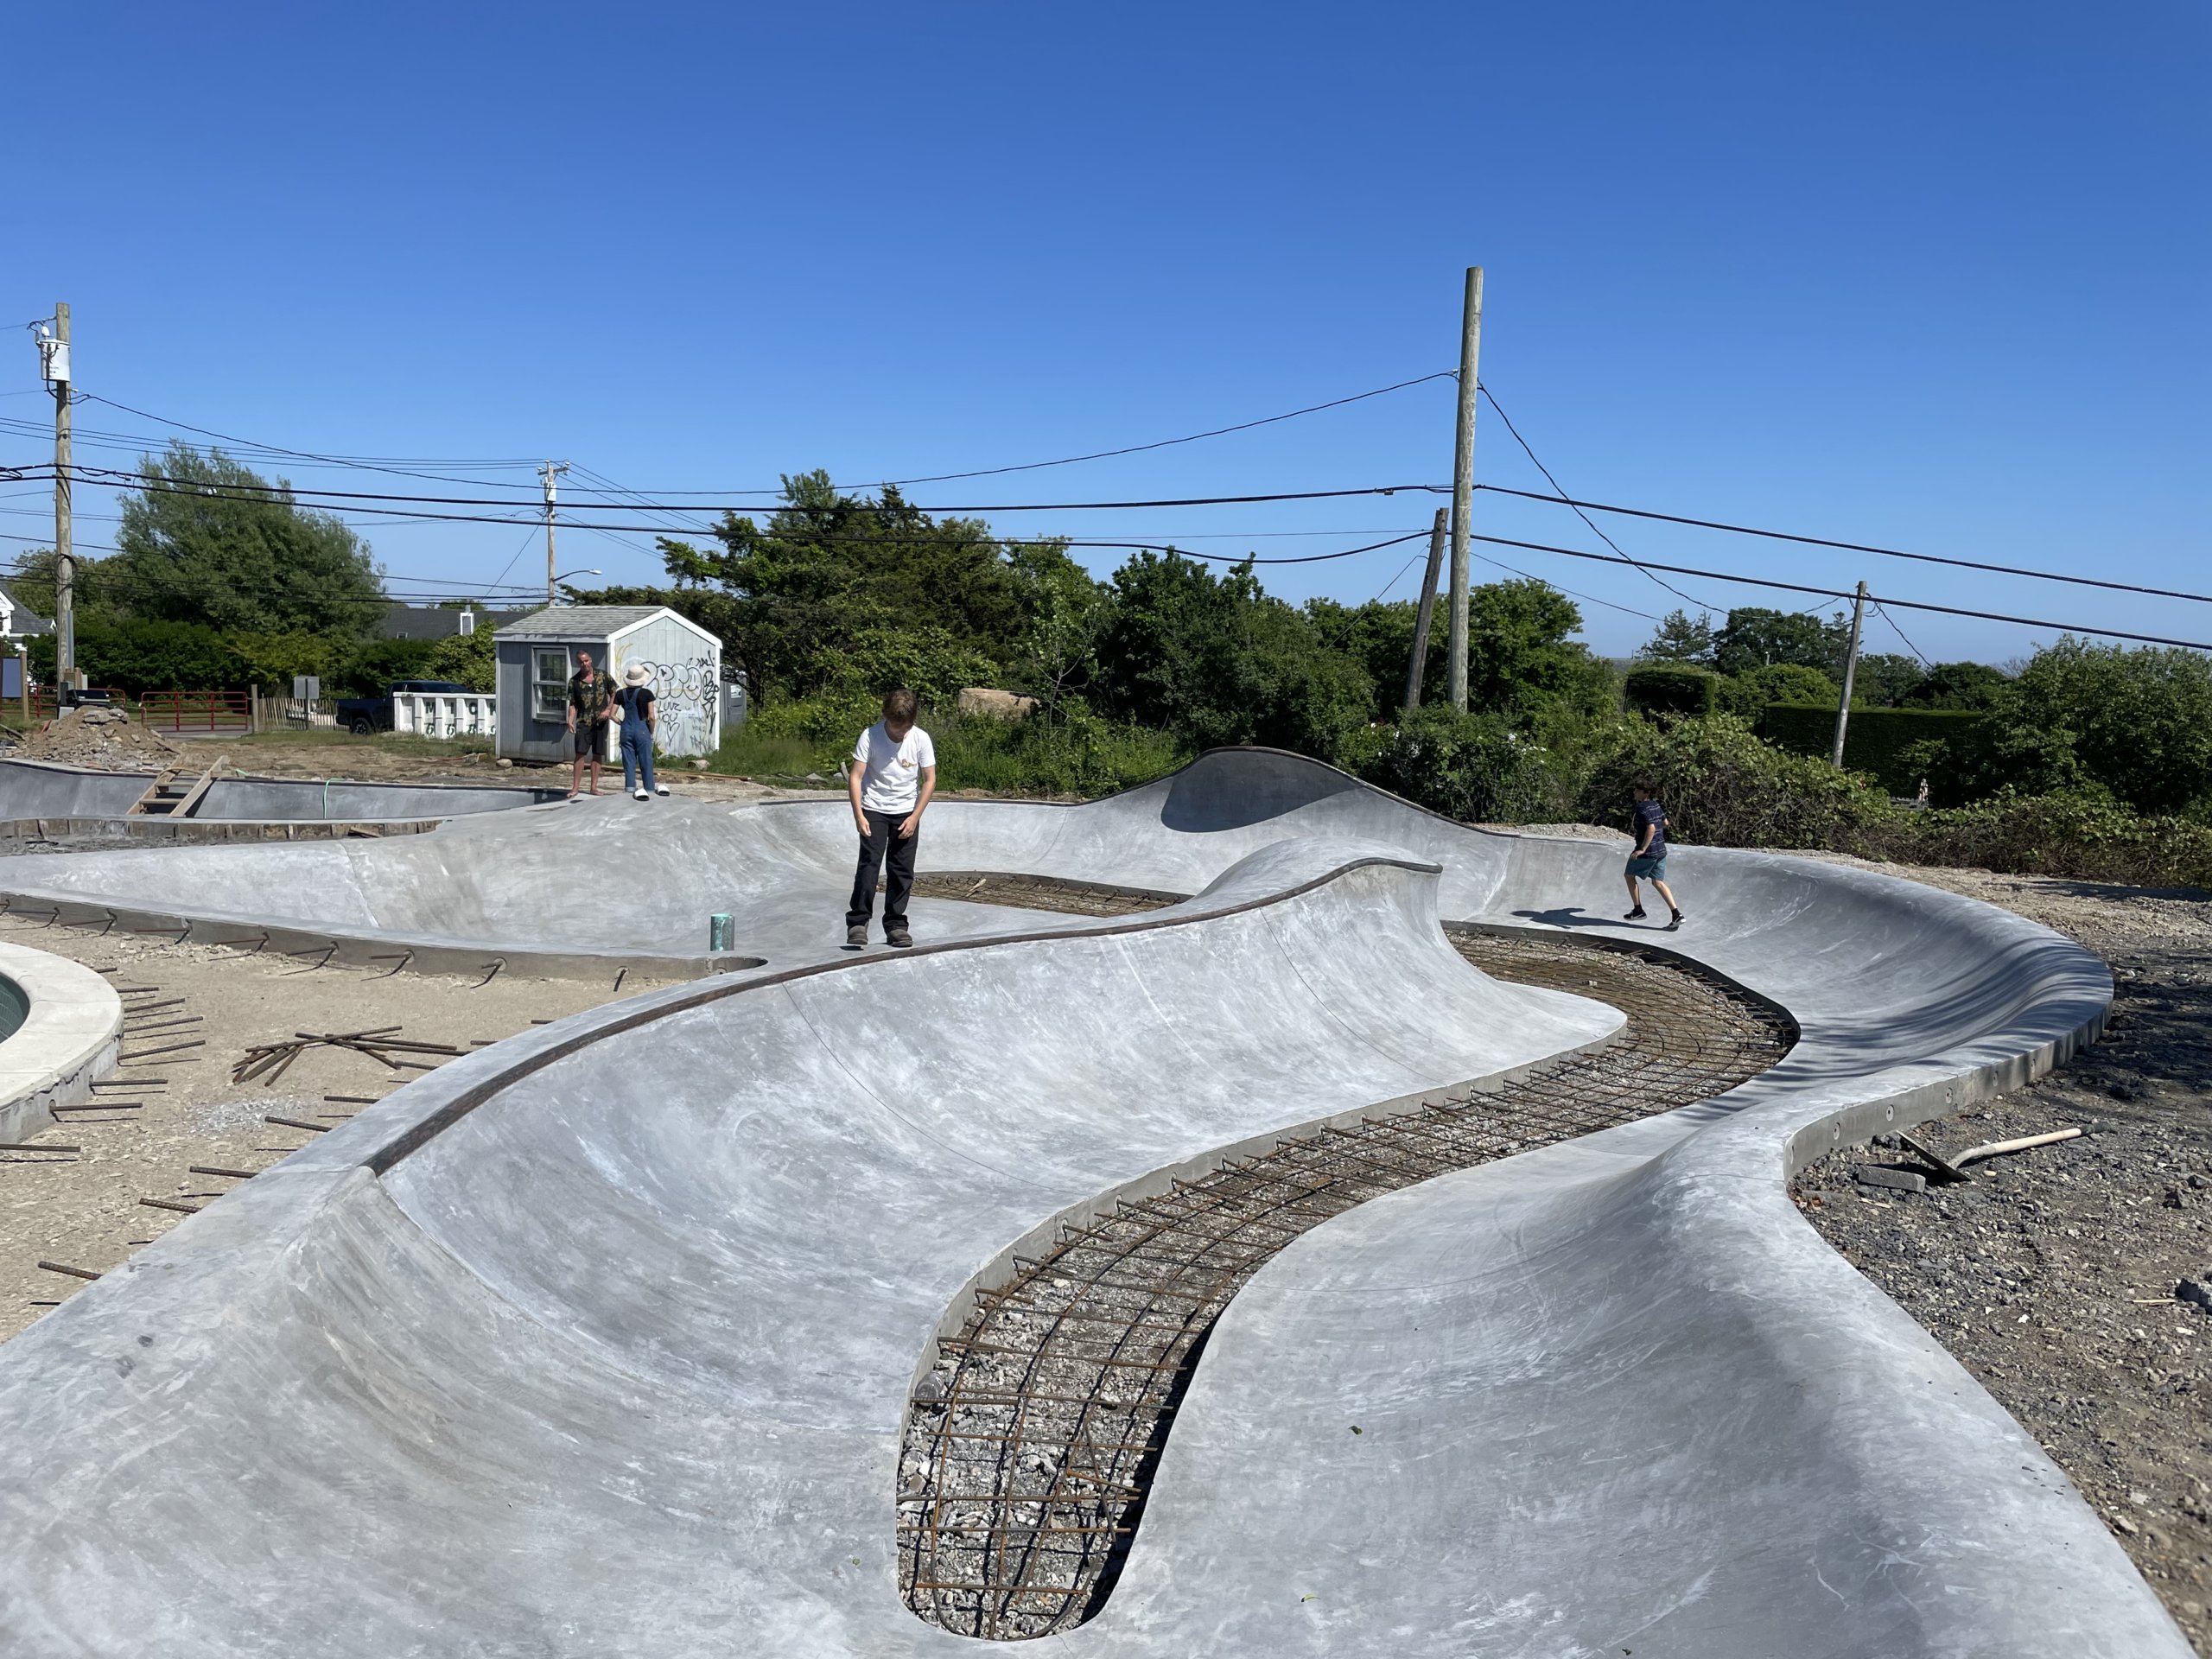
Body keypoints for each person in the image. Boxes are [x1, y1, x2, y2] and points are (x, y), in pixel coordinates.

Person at [845, 687, 936, 949]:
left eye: (904, 729)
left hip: (906, 811)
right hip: (874, 808)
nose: (899, 734)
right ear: (885, 716)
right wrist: (859, 815)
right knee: (869, 866)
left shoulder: (921, 739)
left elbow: (929, 780)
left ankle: (896, 925)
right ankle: (858, 923)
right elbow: (856, 777)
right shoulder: (870, 736)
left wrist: (915, 816)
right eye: (895, 728)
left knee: (901, 870)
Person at [1624, 779, 1684, 931]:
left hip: (1648, 852)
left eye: (1637, 790)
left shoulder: (1642, 807)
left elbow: (1651, 828)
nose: (1635, 792)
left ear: (1645, 792)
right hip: (1661, 850)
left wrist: (1643, 848)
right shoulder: (1656, 805)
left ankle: (1638, 910)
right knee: (1658, 882)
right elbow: (1665, 823)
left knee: (1629, 875)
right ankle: (1676, 914)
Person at [565, 650, 619, 802]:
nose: (585, 664)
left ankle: (594, 786)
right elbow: (573, 704)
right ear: (578, 663)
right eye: (581, 662)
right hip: (583, 722)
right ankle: (575, 787)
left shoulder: (603, 676)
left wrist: (608, 709)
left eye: (587, 661)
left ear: (591, 660)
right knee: (580, 753)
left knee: (598, 753)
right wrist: (570, 720)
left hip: (600, 722)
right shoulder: (574, 681)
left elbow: (615, 692)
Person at [613, 663, 670, 801]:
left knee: (629, 762)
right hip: (642, 729)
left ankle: (630, 789)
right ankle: (649, 788)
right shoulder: (647, 694)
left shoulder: (620, 693)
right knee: (646, 761)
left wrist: (622, 723)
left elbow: (611, 715)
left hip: (626, 729)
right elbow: (651, 717)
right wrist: (651, 732)